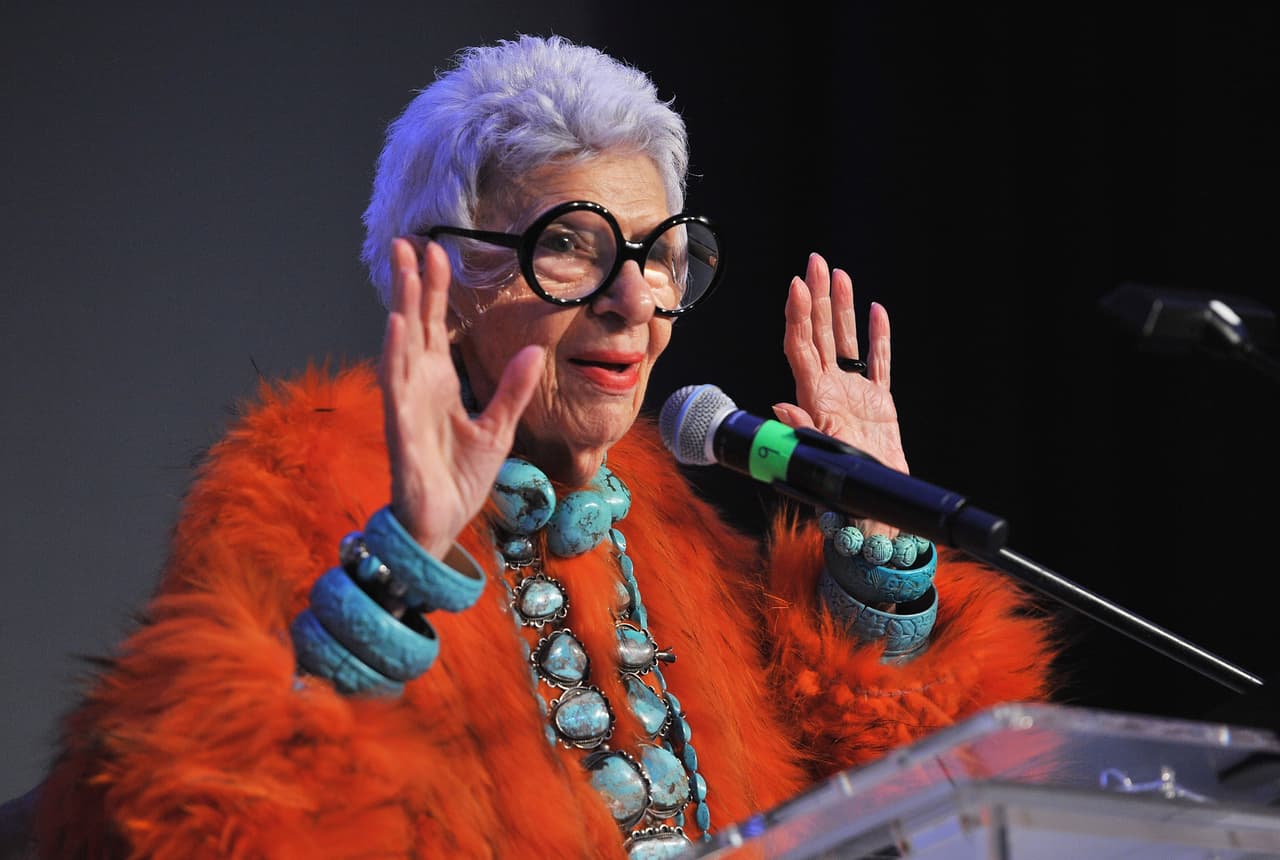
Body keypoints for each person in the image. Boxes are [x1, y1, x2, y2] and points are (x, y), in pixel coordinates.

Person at [24, 34, 1060, 859]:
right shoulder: (302, 488)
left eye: (658, 255)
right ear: (440, 277)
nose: (632, 302)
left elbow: (892, 808)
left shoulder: (675, 531)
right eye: (569, 245)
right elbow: (209, 818)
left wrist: (872, 557)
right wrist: (403, 565)